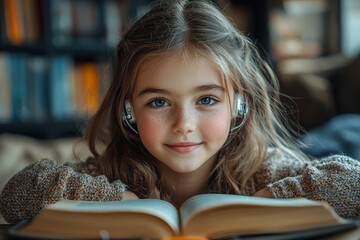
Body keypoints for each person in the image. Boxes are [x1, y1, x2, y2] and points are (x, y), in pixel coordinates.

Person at [1, 0, 359, 224]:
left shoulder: (262, 169)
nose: (184, 125)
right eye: (158, 102)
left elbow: (352, 182)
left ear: (239, 104)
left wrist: (256, 203)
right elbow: (18, 193)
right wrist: (121, 203)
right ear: (129, 109)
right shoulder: (112, 174)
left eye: (206, 100)